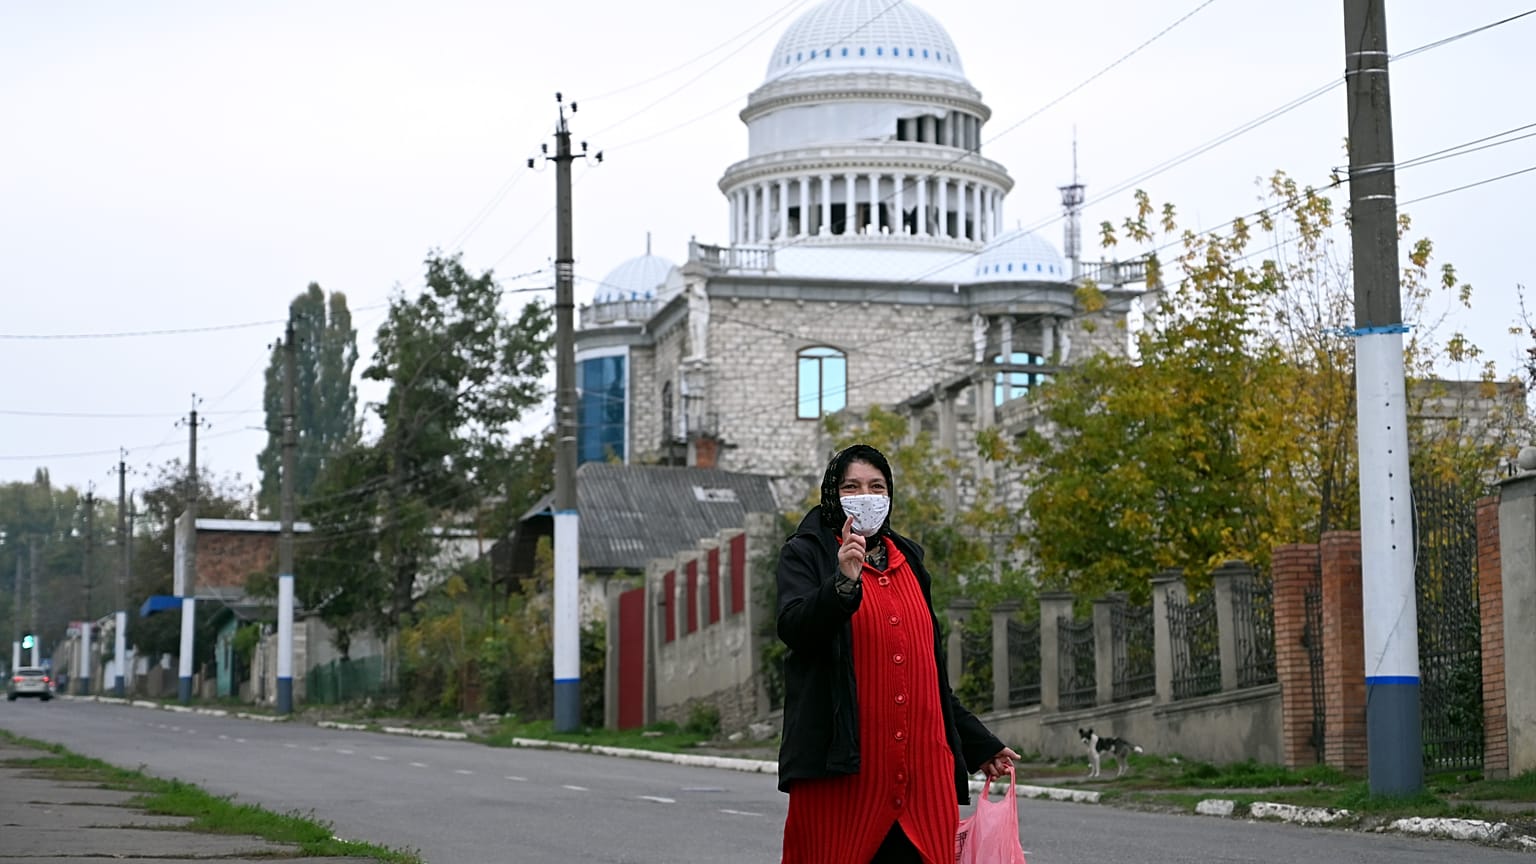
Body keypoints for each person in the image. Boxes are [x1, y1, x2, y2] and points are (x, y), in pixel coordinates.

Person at [776, 444, 1020, 864]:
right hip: (845, 779)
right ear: (833, 494)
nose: (865, 496)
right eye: (852, 487)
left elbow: (926, 676)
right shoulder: (806, 554)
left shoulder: (910, 559)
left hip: (924, 779)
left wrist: (980, 744)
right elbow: (796, 630)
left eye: (876, 486)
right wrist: (842, 585)